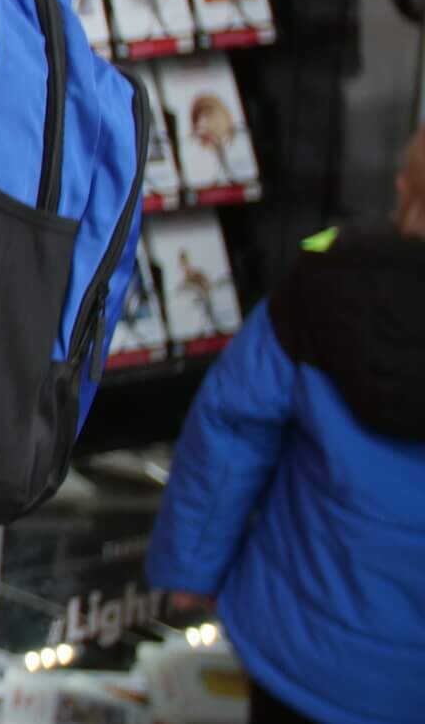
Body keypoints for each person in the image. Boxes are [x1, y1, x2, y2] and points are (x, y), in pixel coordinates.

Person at [144, 129, 425, 724]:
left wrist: (192, 568)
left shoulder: (323, 284)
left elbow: (232, 427)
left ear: (410, 188)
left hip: (298, 645)